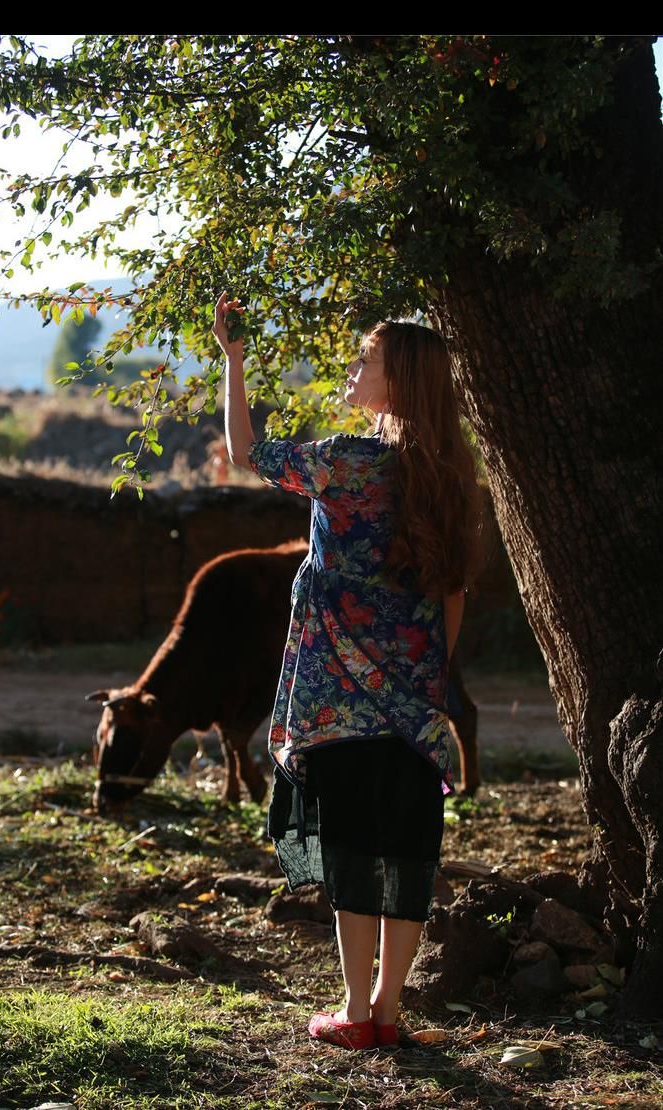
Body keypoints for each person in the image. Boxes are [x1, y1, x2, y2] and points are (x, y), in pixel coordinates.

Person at [214, 290, 485, 1051]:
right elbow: (453, 596)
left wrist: (234, 362)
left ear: (395, 382)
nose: (354, 369)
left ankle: (356, 1012)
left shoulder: (345, 463)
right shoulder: (449, 475)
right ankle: (390, 1010)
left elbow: (245, 453)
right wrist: (428, 677)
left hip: (339, 700)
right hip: (414, 700)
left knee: (354, 853)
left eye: (366, 360)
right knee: (407, 850)